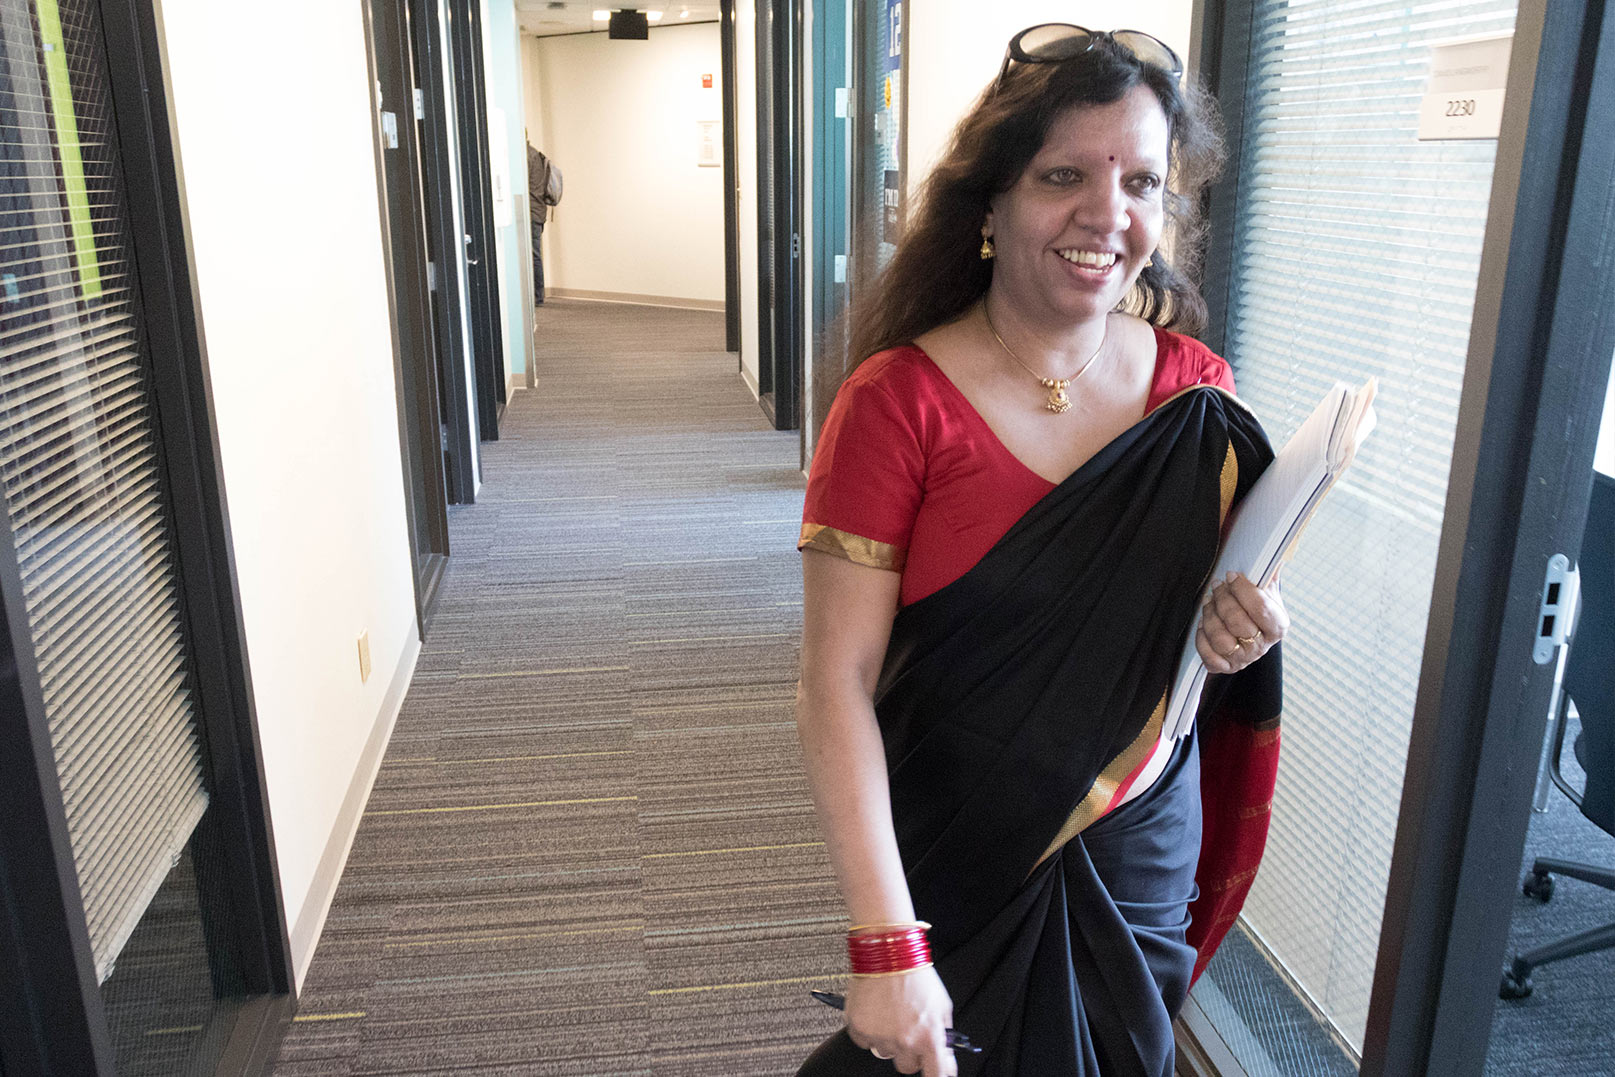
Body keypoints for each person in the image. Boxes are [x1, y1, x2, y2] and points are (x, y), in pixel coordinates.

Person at [794, 25, 1290, 1077]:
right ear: (990, 202)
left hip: (1136, 849)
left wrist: (1243, 626)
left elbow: (1194, 628)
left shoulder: (1195, 394)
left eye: (1141, 182)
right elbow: (833, 683)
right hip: (959, 840)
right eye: (1063, 175)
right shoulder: (896, 405)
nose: (1107, 213)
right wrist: (884, 943)